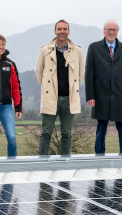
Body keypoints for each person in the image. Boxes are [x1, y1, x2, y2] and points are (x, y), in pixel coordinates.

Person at [35, 20, 85, 155]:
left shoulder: (77, 50)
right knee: (46, 133)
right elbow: (39, 72)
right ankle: (42, 164)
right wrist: (48, 88)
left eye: (64, 29)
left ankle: (64, 164)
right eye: (59, 29)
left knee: (67, 134)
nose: (62, 31)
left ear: (68, 31)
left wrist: (73, 87)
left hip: (69, 98)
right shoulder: (45, 50)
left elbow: (81, 73)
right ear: (55, 31)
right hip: (50, 98)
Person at [85, 21, 122, 154]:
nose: (111, 32)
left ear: (117, 32)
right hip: (101, 95)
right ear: (104, 31)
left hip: (121, 95)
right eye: (109, 29)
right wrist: (90, 95)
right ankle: (99, 156)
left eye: (114, 30)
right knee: (101, 129)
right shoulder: (94, 48)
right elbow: (89, 74)